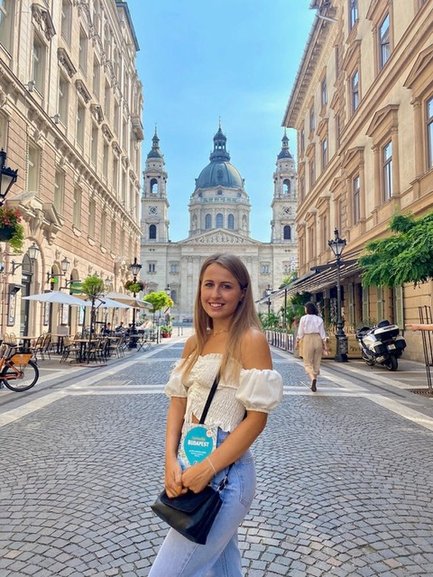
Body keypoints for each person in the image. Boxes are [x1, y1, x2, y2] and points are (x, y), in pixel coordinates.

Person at [149, 253, 283, 577]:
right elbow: (178, 404)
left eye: (226, 286)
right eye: (208, 285)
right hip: (189, 462)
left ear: (242, 292)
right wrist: (169, 459)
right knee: (223, 570)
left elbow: (256, 418)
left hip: (224, 475)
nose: (215, 294)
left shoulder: (250, 340)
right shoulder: (195, 341)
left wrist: (208, 467)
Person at [295, 301, 328, 392]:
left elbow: (300, 332)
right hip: (317, 339)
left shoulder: (304, 318)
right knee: (316, 362)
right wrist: (325, 346)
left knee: (307, 362)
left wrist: (297, 341)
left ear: (307, 309)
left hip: (307, 339)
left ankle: (312, 378)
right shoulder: (319, 319)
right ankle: (314, 381)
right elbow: (323, 333)